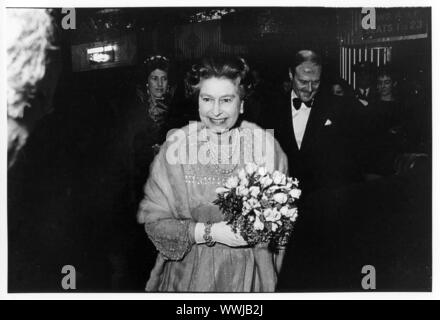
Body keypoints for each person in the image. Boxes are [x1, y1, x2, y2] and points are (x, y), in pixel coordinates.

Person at [137, 56, 288, 292]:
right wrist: (209, 232)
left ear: (241, 103)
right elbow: (154, 224)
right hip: (186, 278)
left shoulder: (265, 149)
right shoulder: (176, 147)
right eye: (207, 99)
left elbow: (279, 237)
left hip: (246, 280)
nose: (215, 111)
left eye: (226, 100)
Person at [262, 50, 363, 195]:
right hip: (283, 197)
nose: (309, 89)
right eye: (303, 81)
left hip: (324, 197)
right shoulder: (270, 109)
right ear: (291, 75)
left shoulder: (338, 107)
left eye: (315, 82)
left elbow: (350, 160)